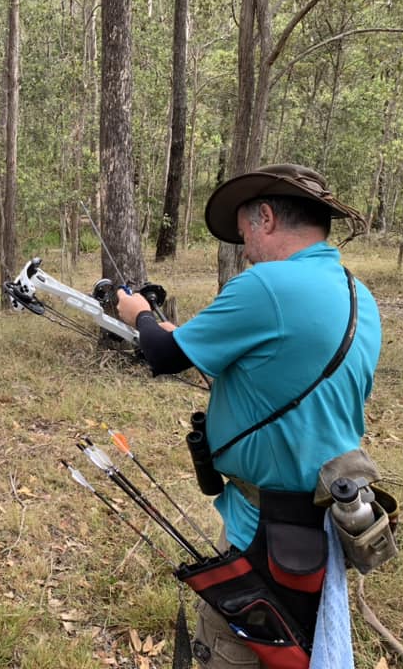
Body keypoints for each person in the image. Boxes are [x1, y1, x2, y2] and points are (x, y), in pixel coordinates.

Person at [115, 164, 382, 667]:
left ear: (265, 217)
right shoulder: (357, 294)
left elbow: (164, 355)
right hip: (325, 523)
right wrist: (180, 335)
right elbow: (282, 375)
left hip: (261, 528)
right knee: (295, 649)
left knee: (238, 647)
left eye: (244, 236)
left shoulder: (267, 285)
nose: (246, 250)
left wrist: (139, 315)